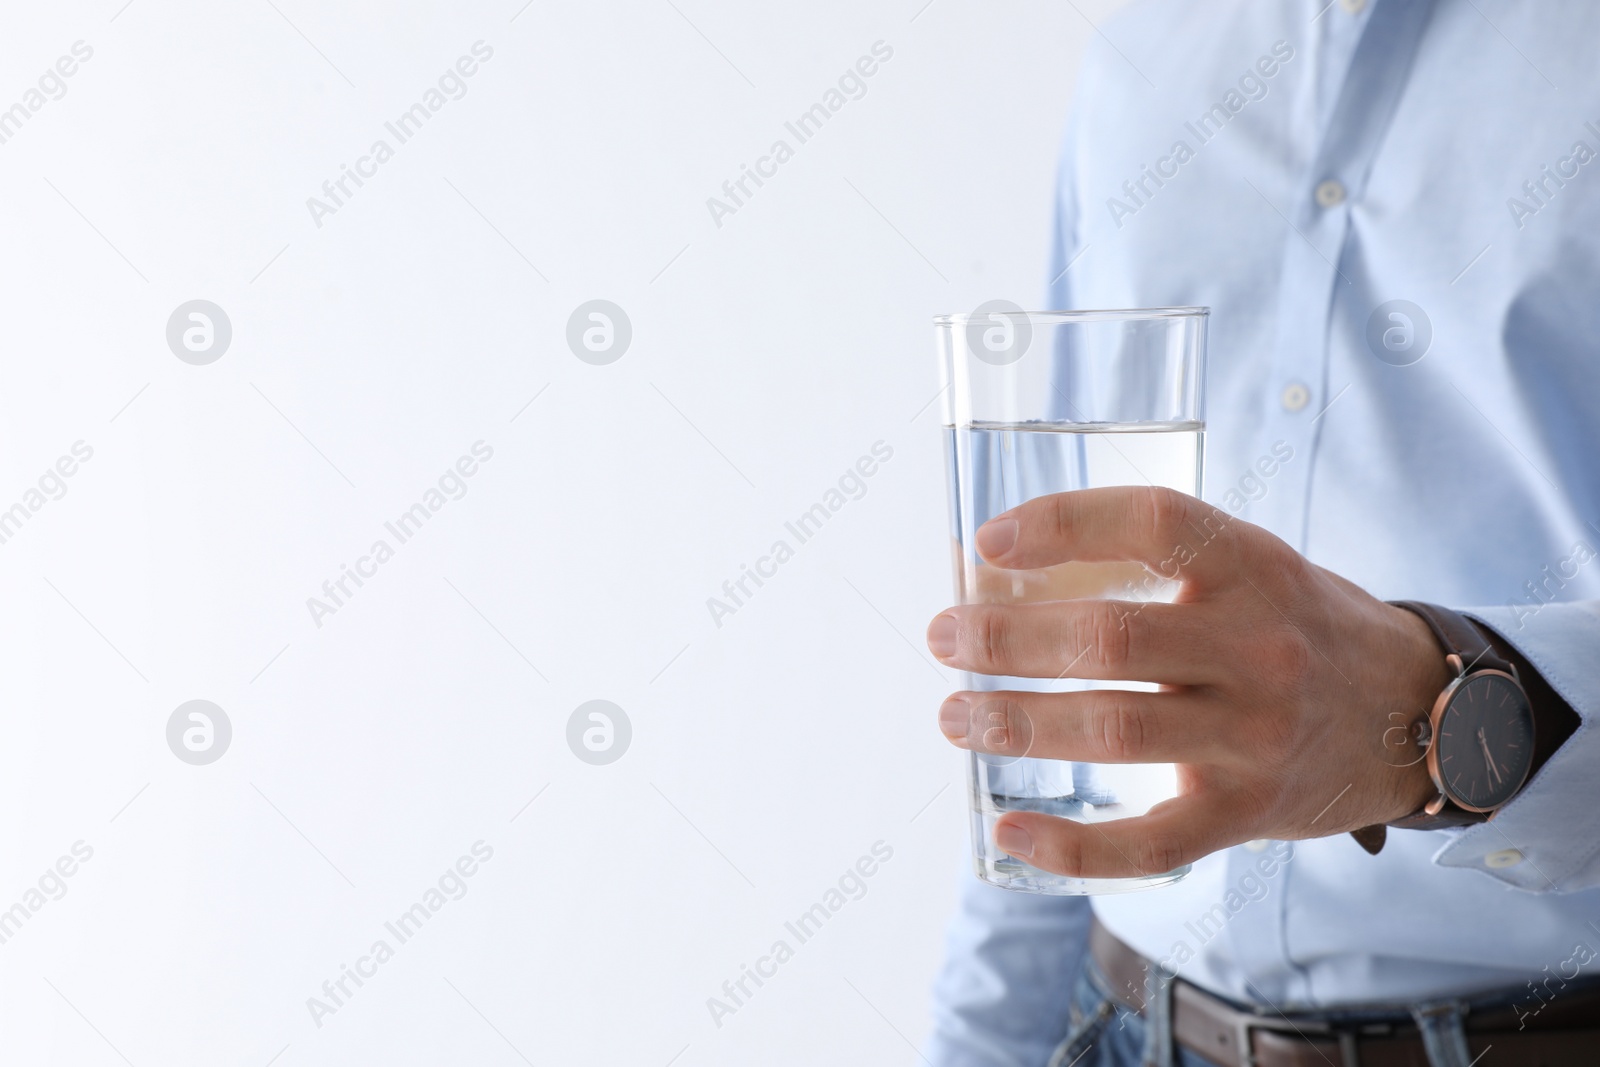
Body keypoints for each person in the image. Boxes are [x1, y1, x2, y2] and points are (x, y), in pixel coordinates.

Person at [924, 1, 1600, 1065]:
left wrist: (1436, 705)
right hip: (1111, 1027)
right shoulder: (1144, 42)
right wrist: (980, 1041)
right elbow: (1063, 648)